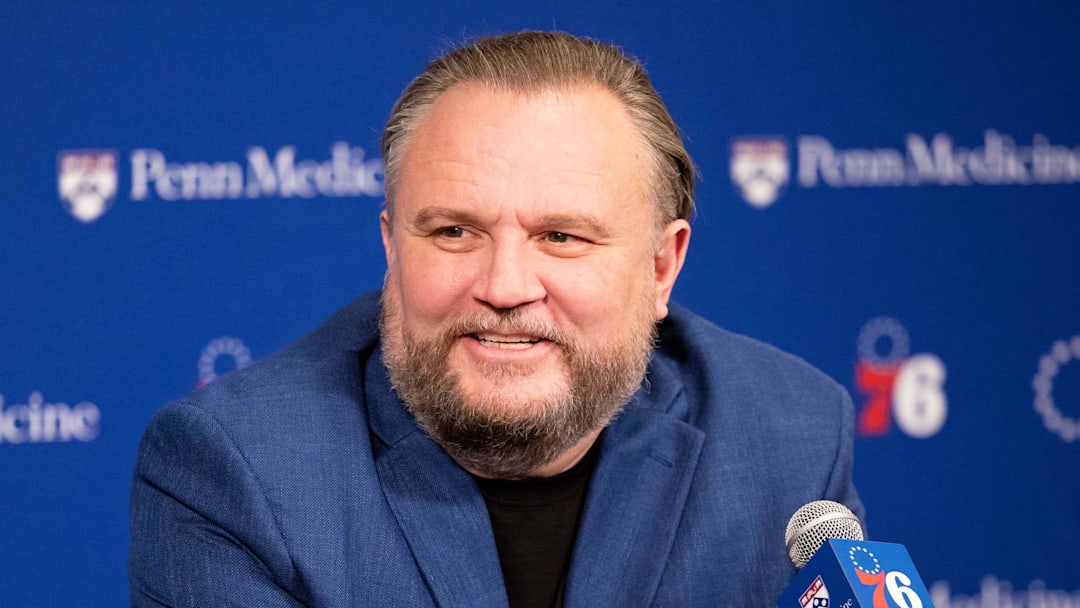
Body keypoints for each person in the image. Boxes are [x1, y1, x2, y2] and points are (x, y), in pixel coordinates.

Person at [129, 31, 863, 607]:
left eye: (561, 237)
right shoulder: (238, 471)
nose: (506, 287)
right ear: (392, 245)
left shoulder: (789, 438)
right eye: (454, 232)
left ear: (661, 267)